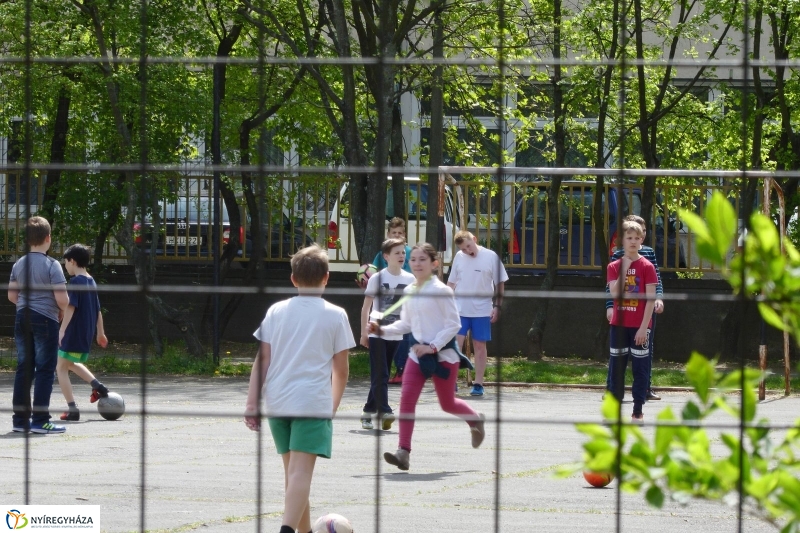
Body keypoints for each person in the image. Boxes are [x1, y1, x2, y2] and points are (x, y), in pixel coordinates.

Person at [244, 244, 355, 533]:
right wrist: (331, 407)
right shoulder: (336, 314)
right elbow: (341, 371)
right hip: (311, 403)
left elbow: (262, 361)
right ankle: (286, 530)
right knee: (301, 473)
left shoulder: (276, 311)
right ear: (327, 277)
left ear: (293, 279)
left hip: (278, 401)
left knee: (292, 474)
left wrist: (251, 403)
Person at [369, 243, 486, 471]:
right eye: (413, 259)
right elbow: (406, 324)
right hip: (417, 355)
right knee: (406, 401)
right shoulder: (410, 290)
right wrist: (381, 330)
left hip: (444, 355)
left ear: (434, 264)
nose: (416, 263)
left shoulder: (443, 291)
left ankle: (475, 419)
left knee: (447, 404)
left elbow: (454, 324)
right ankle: (403, 452)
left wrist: (432, 347)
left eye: (422, 259)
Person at [9, 216, 70, 434]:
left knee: (23, 369)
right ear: (48, 238)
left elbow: (11, 296)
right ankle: (41, 420)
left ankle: (19, 421)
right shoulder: (52, 264)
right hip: (45, 318)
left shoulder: (19, 263)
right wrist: (61, 310)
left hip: (21, 317)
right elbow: (62, 298)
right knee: (44, 369)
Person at [605, 214, 664, 401]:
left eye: (641, 232)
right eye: (630, 236)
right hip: (622, 312)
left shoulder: (649, 254)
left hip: (644, 312)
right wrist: (609, 306)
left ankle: (645, 388)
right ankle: (612, 389)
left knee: (645, 350)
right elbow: (611, 286)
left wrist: (658, 298)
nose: (636, 238)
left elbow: (657, 280)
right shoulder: (617, 256)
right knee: (617, 353)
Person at [359, 238, 415, 430]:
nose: (402, 256)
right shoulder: (377, 278)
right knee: (381, 373)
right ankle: (385, 411)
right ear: (386, 256)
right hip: (376, 333)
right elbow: (366, 307)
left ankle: (368, 410)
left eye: (403, 252)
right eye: (397, 253)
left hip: (396, 333)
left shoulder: (410, 279)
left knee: (380, 374)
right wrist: (363, 333)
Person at [446, 230, 508, 397]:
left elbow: (500, 282)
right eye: (463, 249)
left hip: (482, 309)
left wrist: (497, 306)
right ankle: (451, 382)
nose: (467, 251)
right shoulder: (459, 257)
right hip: (459, 308)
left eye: (468, 246)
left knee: (479, 346)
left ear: (474, 239)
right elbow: (451, 282)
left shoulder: (491, 257)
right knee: (455, 344)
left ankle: (478, 383)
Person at [56, 244, 110, 421]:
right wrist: (100, 333)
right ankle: (98, 386)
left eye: (66, 263)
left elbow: (70, 307)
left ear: (72, 261)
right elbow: (98, 310)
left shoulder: (76, 281)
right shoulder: (90, 280)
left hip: (74, 332)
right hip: (85, 332)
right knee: (70, 364)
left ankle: (72, 409)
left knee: (61, 368)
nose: (65, 266)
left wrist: (62, 331)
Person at [370, 217, 412, 385]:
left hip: (404, 302)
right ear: (388, 234)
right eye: (393, 233)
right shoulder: (382, 255)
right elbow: (373, 271)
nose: (396, 235)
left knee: (404, 337)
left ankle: (402, 368)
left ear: (405, 236)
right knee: (388, 336)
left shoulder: (408, 252)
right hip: (387, 302)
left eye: (400, 233)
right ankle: (389, 370)